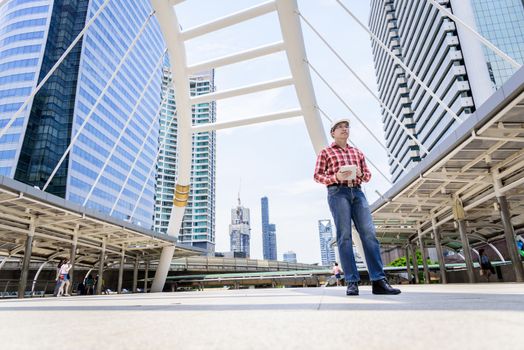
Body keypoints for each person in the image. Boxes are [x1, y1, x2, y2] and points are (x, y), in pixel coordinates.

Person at [314, 117, 401, 296]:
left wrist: (361, 174)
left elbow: (368, 175)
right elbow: (317, 176)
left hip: (358, 192)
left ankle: (378, 281)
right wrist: (335, 177)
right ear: (333, 133)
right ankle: (352, 282)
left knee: (369, 234)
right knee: (344, 236)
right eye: (340, 127)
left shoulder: (357, 152)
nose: (344, 129)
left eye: (346, 127)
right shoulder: (326, 152)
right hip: (338, 193)